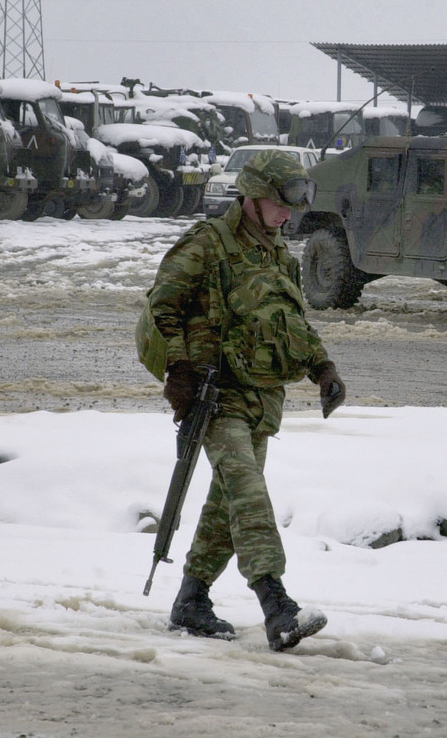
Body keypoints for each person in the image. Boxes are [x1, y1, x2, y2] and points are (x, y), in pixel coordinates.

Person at [146, 149, 346, 651]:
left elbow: (292, 322)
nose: (290, 216)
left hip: (263, 398)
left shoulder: (278, 252)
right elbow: (160, 307)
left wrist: (323, 368)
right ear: (254, 198)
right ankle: (276, 605)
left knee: (224, 505)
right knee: (247, 491)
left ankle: (191, 600)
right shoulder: (209, 243)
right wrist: (178, 368)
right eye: (282, 205)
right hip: (214, 397)